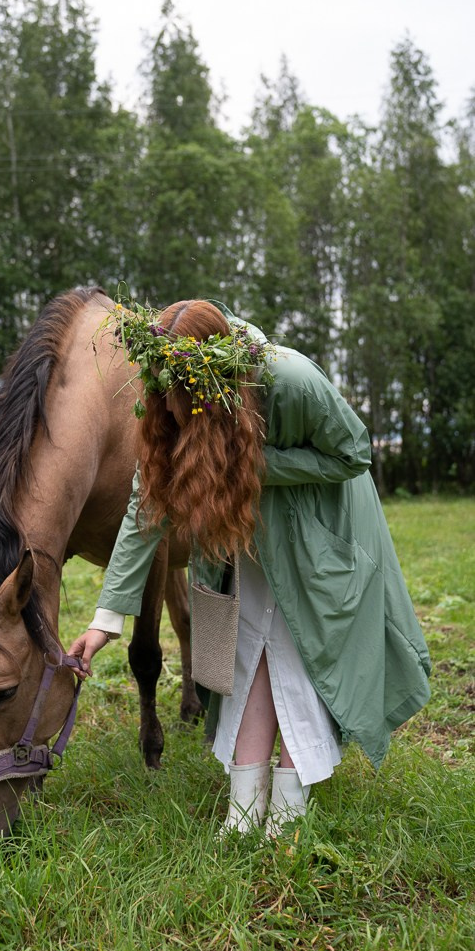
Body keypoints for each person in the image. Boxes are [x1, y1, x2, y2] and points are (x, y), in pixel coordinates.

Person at [68, 299, 431, 836]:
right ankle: (243, 811)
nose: (170, 409)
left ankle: (288, 812)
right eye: (163, 396)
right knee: (242, 650)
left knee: (300, 650)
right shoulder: (166, 403)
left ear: (219, 386)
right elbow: (145, 506)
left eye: (184, 399)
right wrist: (105, 622)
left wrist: (252, 466)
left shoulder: (289, 378)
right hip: (236, 530)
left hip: (309, 525)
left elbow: (352, 453)